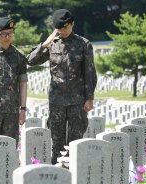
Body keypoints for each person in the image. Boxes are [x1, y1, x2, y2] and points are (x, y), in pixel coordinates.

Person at [27, 9, 97, 164]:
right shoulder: (52, 44)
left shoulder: (83, 44)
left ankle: (74, 174)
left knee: (75, 141)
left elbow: (90, 73)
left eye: (65, 27)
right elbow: (31, 61)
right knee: (57, 141)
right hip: (56, 100)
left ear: (72, 24)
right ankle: (57, 175)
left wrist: (89, 98)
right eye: (59, 28)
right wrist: (46, 43)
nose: (63, 31)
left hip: (77, 100)